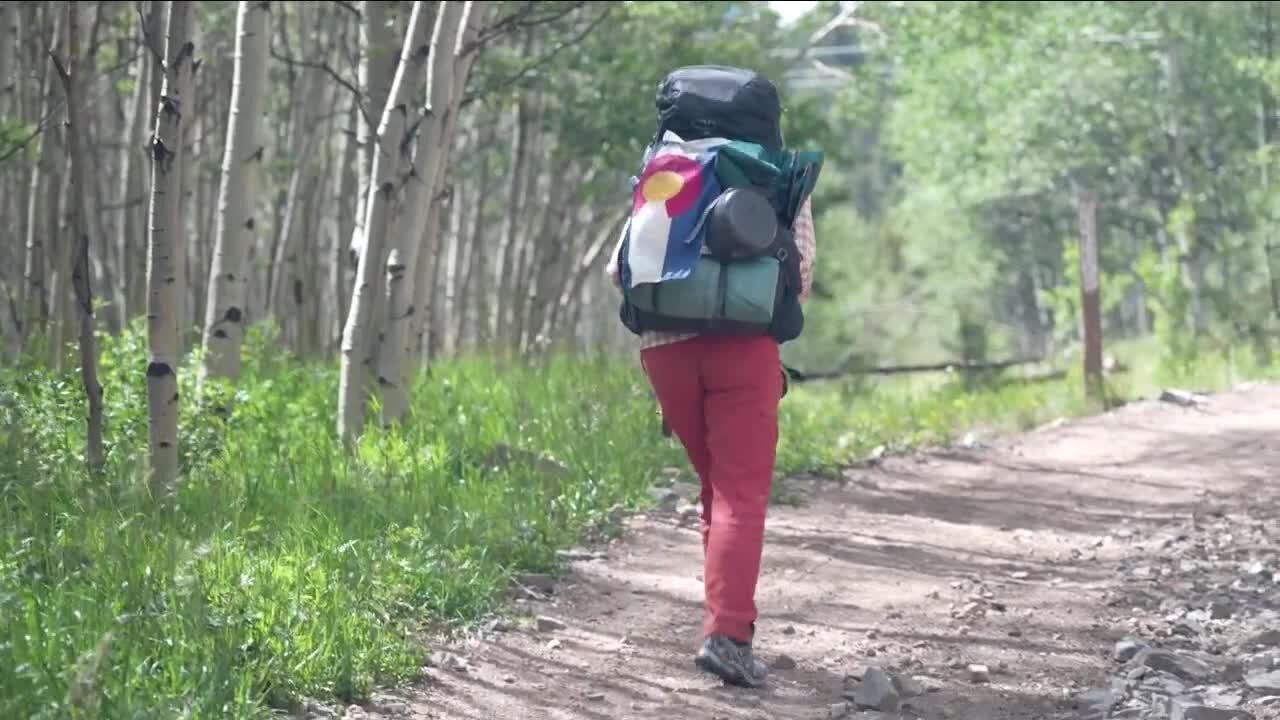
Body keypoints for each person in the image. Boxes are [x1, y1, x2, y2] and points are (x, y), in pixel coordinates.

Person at [605, 196, 816, 688]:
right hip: (746, 348)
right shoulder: (780, 173)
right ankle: (728, 635)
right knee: (738, 495)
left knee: (715, 489)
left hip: (665, 349)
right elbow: (800, 278)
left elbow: (618, 270)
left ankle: (725, 624)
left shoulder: (669, 160)